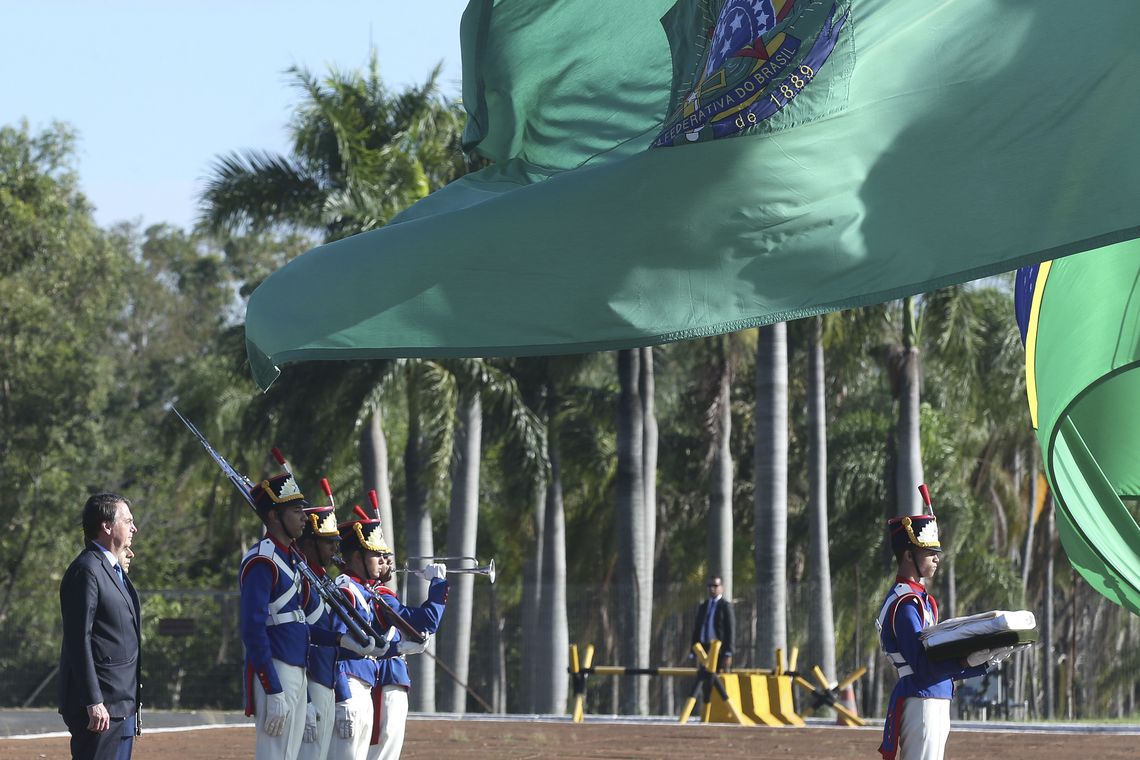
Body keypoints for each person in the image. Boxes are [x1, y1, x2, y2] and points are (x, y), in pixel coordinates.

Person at [240, 473, 380, 760]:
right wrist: (272, 687)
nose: (303, 517)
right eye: (295, 511)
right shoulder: (263, 560)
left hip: (296, 670)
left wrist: (343, 641)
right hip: (276, 670)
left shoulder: (292, 561)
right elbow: (253, 629)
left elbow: (300, 626)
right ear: (274, 516)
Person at [876, 511, 1010, 760]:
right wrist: (968, 664)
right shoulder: (906, 604)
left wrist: (982, 661)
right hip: (921, 698)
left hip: (933, 698)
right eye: (929, 552)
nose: (937, 559)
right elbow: (924, 667)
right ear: (908, 555)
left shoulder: (920, 601)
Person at [58, 493, 141, 760]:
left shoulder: (113, 570)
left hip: (121, 705)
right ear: (107, 526)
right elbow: (77, 639)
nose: (133, 528)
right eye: (127, 521)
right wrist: (93, 700)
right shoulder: (87, 571)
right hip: (100, 709)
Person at [367, 545, 447, 760]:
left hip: (386, 675)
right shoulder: (377, 594)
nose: (388, 563)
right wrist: (438, 583)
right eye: (380, 558)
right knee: (383, 752)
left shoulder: (376, 592)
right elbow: (428, 620)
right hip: (383, 678)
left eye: (387, 558)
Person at [329, 514, 393, 760]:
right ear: (357, 557)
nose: (382, 560)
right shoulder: (345, 590)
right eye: (374, 554)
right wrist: (343, 695)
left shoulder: (360, 591)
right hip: (350, 686)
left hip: (364, 685)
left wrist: (400, 647)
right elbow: (333, 646)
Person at [296, 502, 341, 760]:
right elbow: (299, 641)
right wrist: (308, 699)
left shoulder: (321, 580)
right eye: (328, 542)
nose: (335, 548)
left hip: (327, 681)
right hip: (310, 684)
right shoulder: (301, 579)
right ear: (310, 542)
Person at [690, 575, 735, 672]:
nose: (712, 589)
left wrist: (728, 653)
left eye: (715, 586)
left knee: (717, 678)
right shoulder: (704, 606)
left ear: (721, 588)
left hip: (719, 650)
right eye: (709, 586)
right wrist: (693, 649)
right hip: (703, 649)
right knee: (704, 678)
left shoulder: (725, 606)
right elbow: (697, 628)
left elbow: (730, 630)